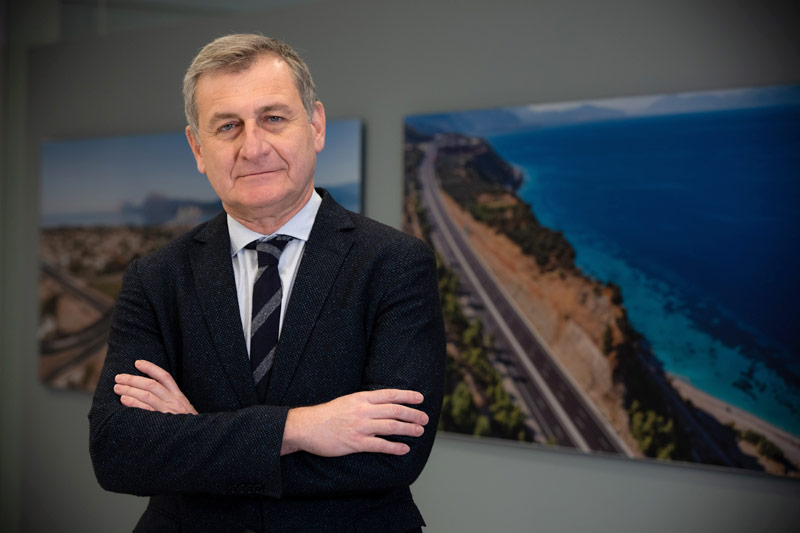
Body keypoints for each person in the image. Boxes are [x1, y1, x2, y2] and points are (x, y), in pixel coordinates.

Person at [88, 33, 445, 533]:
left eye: (273, 118)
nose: (253, 147)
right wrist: (301, 427)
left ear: (315, 126)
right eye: (227, 126)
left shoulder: (395, 264)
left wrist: (192, 437)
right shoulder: (155, 278)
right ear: (198, 148)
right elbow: (118, 452)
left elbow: (394, 453)